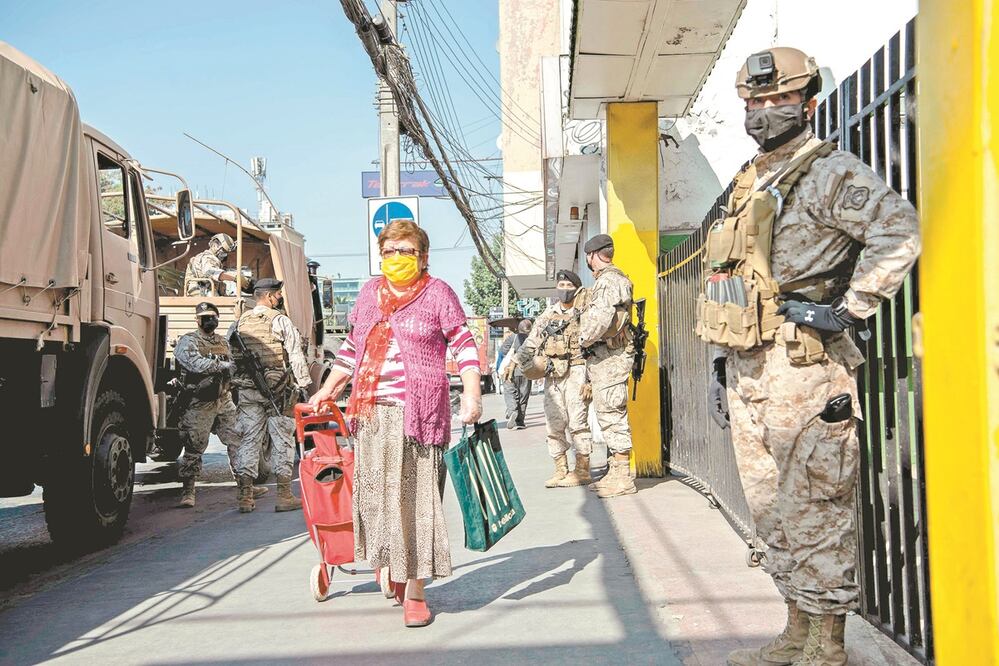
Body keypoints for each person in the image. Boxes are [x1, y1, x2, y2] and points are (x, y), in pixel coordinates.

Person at [707, 48, 920, 666]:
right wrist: (723, 360)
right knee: (770, 508)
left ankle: (828, 645)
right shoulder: (751, 180)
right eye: (755, 101)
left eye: (779, 99)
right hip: (749, 365)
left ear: (808, 104)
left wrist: (849, 311)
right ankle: (796, 630)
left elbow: (899, 230)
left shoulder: (830, 172)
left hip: (805, 369)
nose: (765, 111)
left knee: (817, 508)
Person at [309, 219, 482, 628]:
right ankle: (393, 568)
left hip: (418, 415)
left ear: (423, 256)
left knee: (418, 504)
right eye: (389, 251)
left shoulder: (437, 293)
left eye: (406, 251)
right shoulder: (370, 293)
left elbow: (464, 345)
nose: (397, 258)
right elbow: (352, 348)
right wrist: (328, 390)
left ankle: (416, 591)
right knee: (376, 500)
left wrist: (472, 395)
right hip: (370, 414)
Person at [230, 278, 312, 514]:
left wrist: (238, 384)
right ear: (268, 296)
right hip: (278, 392)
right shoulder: (280, 320)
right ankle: (284, 496)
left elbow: (231, 358)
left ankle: (245, 496)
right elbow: (295, 355)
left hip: (247, 391)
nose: (279, 298)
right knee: (282, 440)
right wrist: (304, 385)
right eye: (277, 294)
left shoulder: (238, 324)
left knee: (249, 440)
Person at [516, 269, 593, 488]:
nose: (565, 290)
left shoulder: (585, 312)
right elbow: (531, 342)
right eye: (561, 286)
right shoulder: (548, 315)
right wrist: (516, 362)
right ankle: (560, 469)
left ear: (576, 289)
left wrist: (589, 380)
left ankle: (582, 470)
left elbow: (594, 346)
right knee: (553, 423)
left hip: (577, 370)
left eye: (569, 286)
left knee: (577, 422)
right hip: (553, 375)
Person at [172, 302, 253, 508]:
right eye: (205, 317)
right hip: (199, 402)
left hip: (223, 399)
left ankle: (245, 487)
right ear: (197, 320)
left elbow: (234, 367)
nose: (210, 320)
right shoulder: (188, 341)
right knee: (194, 446)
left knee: (237, 440)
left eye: (213, 317)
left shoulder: (223, 342)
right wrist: (223, 365)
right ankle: (188, 492)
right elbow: (195, 364)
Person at [579, 234, 637, 499]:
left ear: (592, 256)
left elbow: (600, 320)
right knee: (607, 413)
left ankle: (622, 477)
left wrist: (582, 339)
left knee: (612, 414)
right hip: (609, 359)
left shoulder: (607, 281)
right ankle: (616, 471)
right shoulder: (616, 278)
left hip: (611, 360)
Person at [499, 319, 533, 429]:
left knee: (510, 392)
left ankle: (512, 410)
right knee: (524, 396)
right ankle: (520, 421)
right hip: (527, 371)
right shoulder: (532, 339)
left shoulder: (513, 337)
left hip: (511, 370)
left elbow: (502, 351)